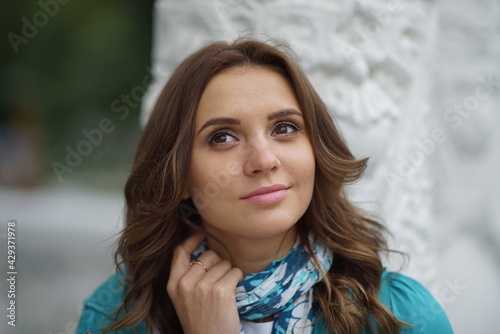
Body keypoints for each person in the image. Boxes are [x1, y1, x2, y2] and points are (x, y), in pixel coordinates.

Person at [76, 39, 453, 334]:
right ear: (180, 177)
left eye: (284, 128)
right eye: (222, 137)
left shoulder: (401, 316)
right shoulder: (116, 318)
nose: (263, 159)